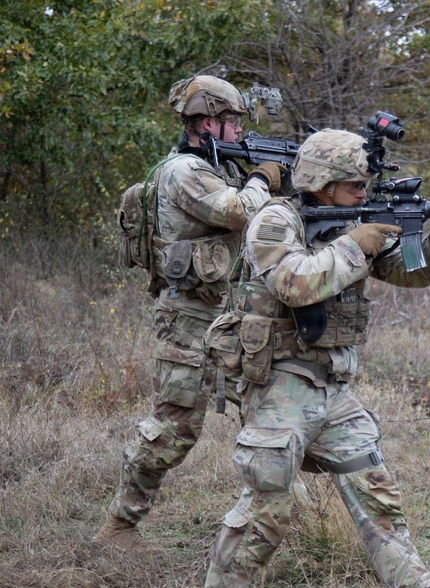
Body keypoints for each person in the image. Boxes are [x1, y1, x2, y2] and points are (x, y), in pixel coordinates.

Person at [192, 128, 430, 588]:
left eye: (364, 185)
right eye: (352, 185)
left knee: (374, 487)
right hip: (278, 381)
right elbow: (295, 284)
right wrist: (355, 244)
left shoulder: (351, 220)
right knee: (269, 500)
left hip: (329, 385)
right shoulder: (276, 219)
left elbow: (408, 272)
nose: (363, 195)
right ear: (321, 184)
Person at [94, 75, 285, 554]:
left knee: (272, 418)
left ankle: (277, 526)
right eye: (231, 122)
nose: (238, 131)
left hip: (230, 316)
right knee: (175, 427)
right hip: (190, 317)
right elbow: (241, 211)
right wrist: (263, 177)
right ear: (205, 123)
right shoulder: (185, 172)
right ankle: (119, 527)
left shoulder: (216, 167)